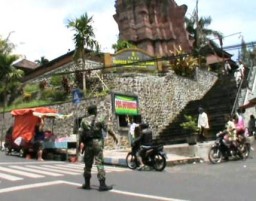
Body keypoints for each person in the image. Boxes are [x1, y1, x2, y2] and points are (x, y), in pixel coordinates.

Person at [79, 105, 117, 191]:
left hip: (88, 144)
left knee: (87, 164)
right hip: (98, 143)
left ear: (88, 111)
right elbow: (107, 129)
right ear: (95, 111)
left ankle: (87, 184)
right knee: (99, 163)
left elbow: (80, 134)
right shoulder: (100, 119)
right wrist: (114, 136)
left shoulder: (84, 120)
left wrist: (79, 146)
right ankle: (102, 184)